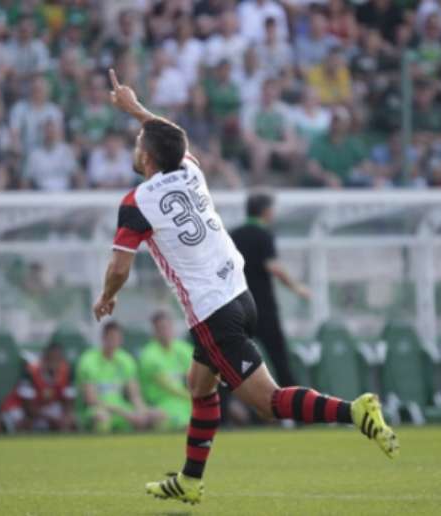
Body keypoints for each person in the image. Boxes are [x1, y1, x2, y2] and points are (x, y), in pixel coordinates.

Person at [93, 69, 399, 506]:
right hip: (240, 293)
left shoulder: (137, 202)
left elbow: (120, 266)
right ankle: (191, 480)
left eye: (139, 142)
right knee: (199, 385)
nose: (137, 144)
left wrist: (107, 296)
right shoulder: (192, 171)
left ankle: (355, 411)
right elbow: (173, 136)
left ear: (146, 158)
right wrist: (136, 109)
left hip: (213, 312)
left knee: (268, 403)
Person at [230, 192, 310, 387]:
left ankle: (222, 413)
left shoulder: (233, 235)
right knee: (280, 361)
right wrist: (297, 287)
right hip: (263, 309)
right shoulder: (263, 235)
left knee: (231, 363)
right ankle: (297, 410)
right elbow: (273, 267)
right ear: (266, 211)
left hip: (238, 308)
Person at [76, 321, 165, 433]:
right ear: (103, 338)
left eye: (117, 338)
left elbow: (135, 395)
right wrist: (123, 412)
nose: (114, 341)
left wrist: (141, 410)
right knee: (102, 417)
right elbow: (91, 400)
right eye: (111, 337)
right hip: (97, 410)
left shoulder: (126, 360)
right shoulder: (88, 361)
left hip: (122, 409)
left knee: (158, 415)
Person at [2, 342, 76, 432]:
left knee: (71, 421)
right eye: (51, 359)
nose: (54, 363)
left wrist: (66, 417)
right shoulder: (30, 372)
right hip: (19, 406)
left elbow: (68, 401)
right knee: (22, 423)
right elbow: (28, 408)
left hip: (44, 406)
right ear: (44, 359)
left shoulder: (67, 372)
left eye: (57, 359)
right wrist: (52, 419)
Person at [138, 312, 193, 430]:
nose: (165, 331)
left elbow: (195, 375)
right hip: (162, 402)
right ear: (155, 332)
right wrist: (192, 397)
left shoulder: (184, 349)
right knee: (187, 425)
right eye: (161, 328)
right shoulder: (149, 355)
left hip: (185, 400)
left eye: (167, 327)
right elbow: (168, 386)